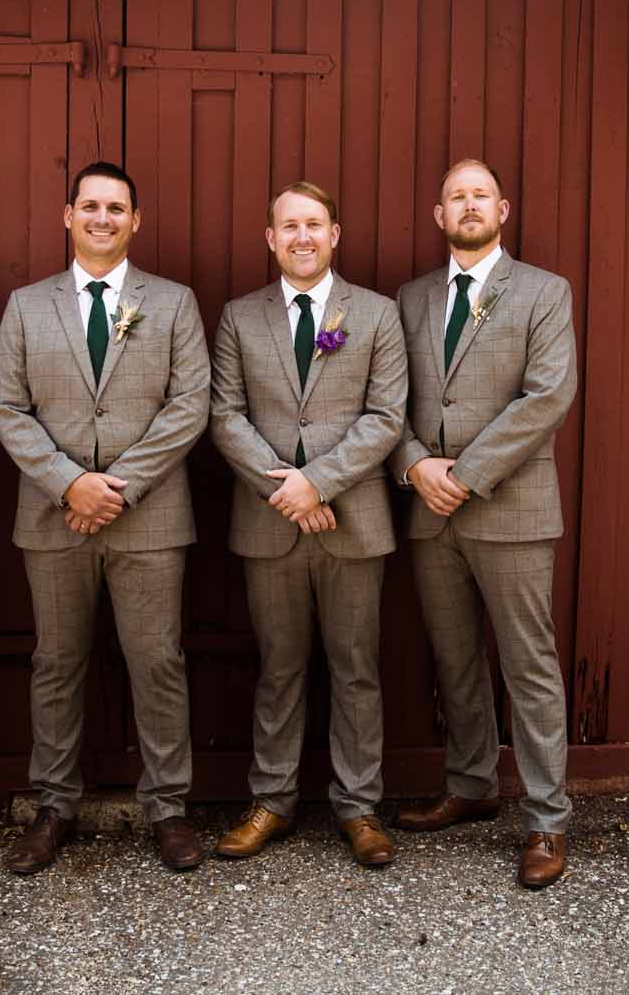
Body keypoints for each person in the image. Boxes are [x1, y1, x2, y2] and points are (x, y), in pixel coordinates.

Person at [0, 160, 212, 873]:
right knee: (55, 661)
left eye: (116, 207)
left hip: (147, 514)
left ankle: (168, 807)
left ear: (135, 220)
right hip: (55, 517)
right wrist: (67, 484)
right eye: (90, 206)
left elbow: (189, 404)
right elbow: (7, 406)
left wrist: (116, 485)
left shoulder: (173, 302)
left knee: (158, 661)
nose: (102, 218)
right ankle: (54, 805)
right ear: (68, 215)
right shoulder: (27, 304)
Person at [388, 159, 580, 890]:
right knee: (455, 656)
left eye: (479, 194)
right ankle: (470, 784)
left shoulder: (541, 292)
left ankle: (545, 817)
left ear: (502, 207)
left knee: (527, 664)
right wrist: (414, 467)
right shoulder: (408, 299)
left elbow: (545, 396)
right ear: (439, 215)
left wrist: (462, 474)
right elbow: (387, 398)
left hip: (510, 507)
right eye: (454, 196)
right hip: (429, 510)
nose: (467, 205)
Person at [208, 182, 409, 867]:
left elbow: (385, 417)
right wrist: (285, 489)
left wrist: (317, 481)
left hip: (351, 520)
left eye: (314, 224)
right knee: (279, 667)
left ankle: (359, 807)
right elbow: (224, 414)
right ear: (270, 237)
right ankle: (273, 800)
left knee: (356, 668)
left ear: (334, 233)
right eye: (288, 225)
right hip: (269, 521)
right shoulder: (239, 316)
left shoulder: (376, 314)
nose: (301, 236)